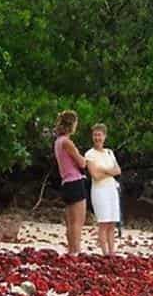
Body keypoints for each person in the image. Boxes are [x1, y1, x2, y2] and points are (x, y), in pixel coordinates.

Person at [52, 109, 88, 255]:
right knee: (78, 222)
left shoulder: (58, 142)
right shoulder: (67, 142)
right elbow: (82, 163)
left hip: (65, 182)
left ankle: (71, 250)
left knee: (70, 221)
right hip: (75, 182)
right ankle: (76, 251)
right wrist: (86, 159)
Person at [84, 123, 122, 256]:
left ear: (104, 136)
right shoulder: (90, 154)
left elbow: (118, 170)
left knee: (112, 223)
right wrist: (109, 171)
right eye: (95, 135)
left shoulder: (109, 152)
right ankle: (105, 252)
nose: (97, 138)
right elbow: (95, 175)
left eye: (99, 135)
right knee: (103, 222)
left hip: (111, 189)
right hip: (100, 191)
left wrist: (104, 170)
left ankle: (112, 251)